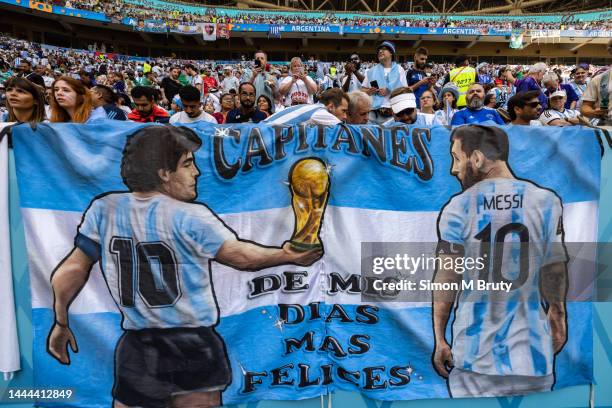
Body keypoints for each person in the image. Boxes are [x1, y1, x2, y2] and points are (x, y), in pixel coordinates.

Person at [47, 125, 322, 408]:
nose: (197, 173)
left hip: (138, 343)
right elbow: (241, 257)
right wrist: (288, 255)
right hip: (193, 343)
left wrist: (61, 320)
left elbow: (71, 270)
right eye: (187, 164)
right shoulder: (191, 216)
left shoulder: (104, 208)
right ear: (164, 173)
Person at [432, 124, 568, 397]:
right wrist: (558, 317)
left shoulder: (458, 207)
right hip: (532, 356)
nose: (453, 169)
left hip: (473, 356)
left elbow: (447, 278)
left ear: (478, 158)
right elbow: (553, 268)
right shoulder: (545, 201)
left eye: (457, 158)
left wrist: (439, 339)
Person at [361, 41, 407, 125]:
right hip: (373, 113)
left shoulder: (399, 69)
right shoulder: (371, 71)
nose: (380, 51)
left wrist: (389, 90)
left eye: (384, 49)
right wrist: (369, 91)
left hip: (392, 114)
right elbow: (362, 90)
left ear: (391, 53)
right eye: (379, 50)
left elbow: (405, 90)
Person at [265, 88, 348, 126]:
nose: (345, 116)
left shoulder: (312, 107)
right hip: (263, 133)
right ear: (331, 106)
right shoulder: (320, 112)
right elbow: (347, 132)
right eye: (343, 111)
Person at [580, 40, 612, 125]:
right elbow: (585, 107)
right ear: (610, 51)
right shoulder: (599, 79)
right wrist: (594, 112)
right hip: (608, 127)